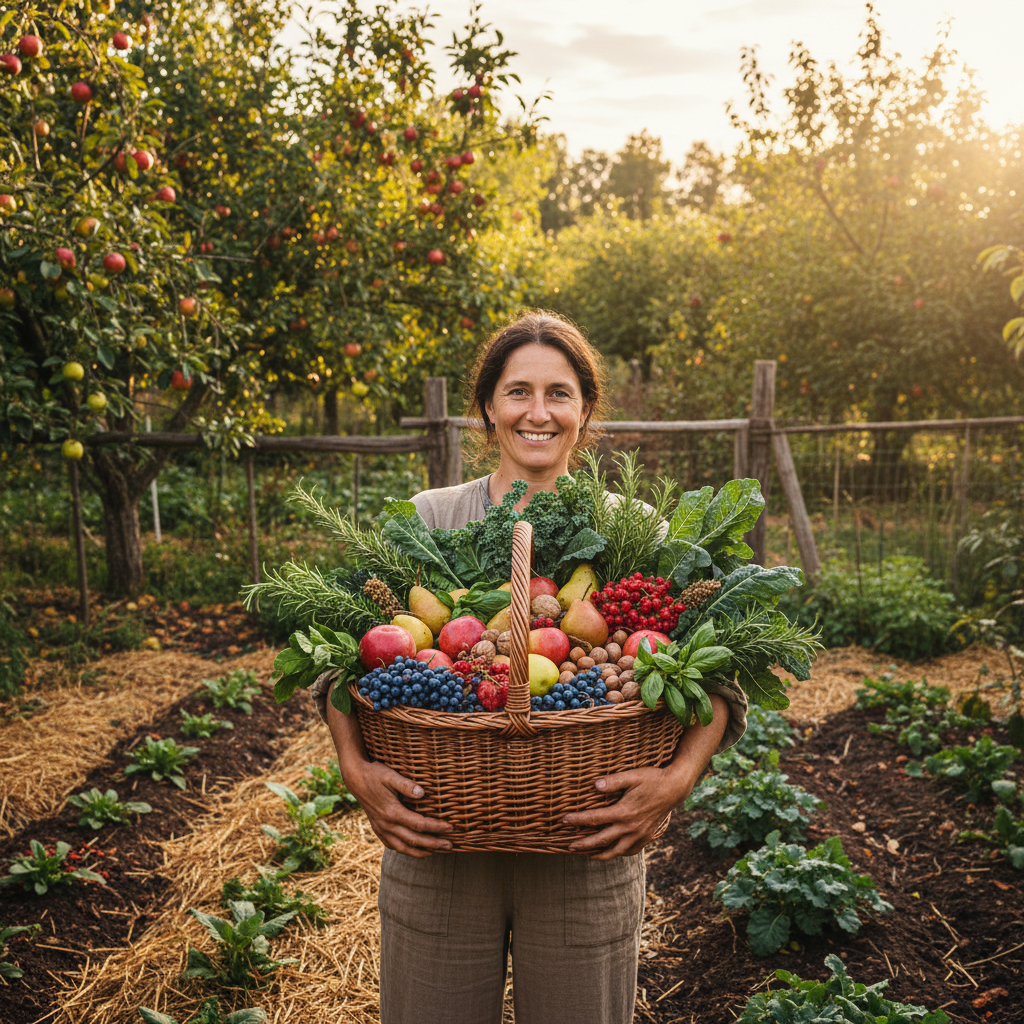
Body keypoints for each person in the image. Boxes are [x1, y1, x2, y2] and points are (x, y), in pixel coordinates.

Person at [310, 311, 747, 1024]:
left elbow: (721, 677)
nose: (537, 413)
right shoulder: (427, 518)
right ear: (486, 406)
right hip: (438, 839)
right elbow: (338, 661)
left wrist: (674, 780)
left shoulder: (633, 528)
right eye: (517, 392)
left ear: (585, 410)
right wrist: (355, 770)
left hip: (589, 842)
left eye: (559, 393)